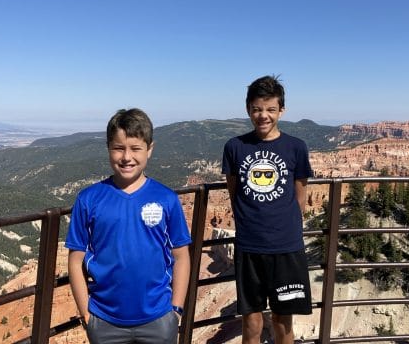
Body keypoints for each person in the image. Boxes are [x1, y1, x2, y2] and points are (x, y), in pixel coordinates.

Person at [65, 108, 192, 344]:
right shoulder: (89, 199)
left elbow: (181, 256)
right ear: (108, 148)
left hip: (159, 318)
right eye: (118, 148)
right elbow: (75, 260)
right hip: (104, 320)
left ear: (149, 150)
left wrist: (176, 310)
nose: (126, 157)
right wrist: (86, 313)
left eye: (135, 148)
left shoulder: (166, 199)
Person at [222, 75, 314, 344]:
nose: (263, 115)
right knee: (251, 321)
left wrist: (285, 228)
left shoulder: (296, 147)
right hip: (249, 246)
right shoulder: (235, 147)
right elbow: (234, 192)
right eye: (257, 109)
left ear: (281, 110)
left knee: (283, 320)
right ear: (248, 109)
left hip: (286, 246)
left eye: (271, 109)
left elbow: (300, 195)